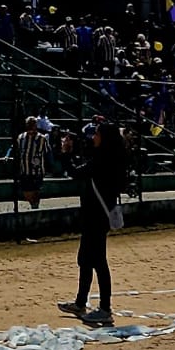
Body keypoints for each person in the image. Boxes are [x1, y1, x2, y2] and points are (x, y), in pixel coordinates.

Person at [57, 120, 127, 327]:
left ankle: (105, 308)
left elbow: (76, 172)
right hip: (95, 216)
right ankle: (80, 302)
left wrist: (66, 153)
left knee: (97, 261)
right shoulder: (111, 157)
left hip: (96, 216)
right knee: (86, 259)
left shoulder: (103, 159)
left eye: (97, 134)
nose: (93, 137)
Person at [12, 115, 50, 209]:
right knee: (26, 191)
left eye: (33, 125)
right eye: (29, 125)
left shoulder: (42, 138)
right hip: (25, 169)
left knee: (36, 190)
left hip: (37, 170)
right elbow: (16, 149)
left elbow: (47, 152)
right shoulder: (21, 137)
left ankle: (35, 206)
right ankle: (33, 204)